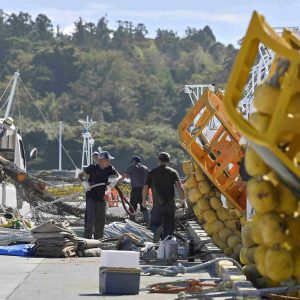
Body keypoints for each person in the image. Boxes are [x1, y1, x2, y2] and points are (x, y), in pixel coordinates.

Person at [142, 152, 186, 239]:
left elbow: (145, 187)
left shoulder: (152, 173)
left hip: (157, 205)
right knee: (169, 227)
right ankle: (166, 241)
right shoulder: (173, 172)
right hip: (170, 205)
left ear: (158, 161)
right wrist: (183, 200)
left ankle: (157, 231)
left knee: (153, 224)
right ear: (168, 161)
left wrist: (143, 200)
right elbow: (179, 186)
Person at [78, 151, 121, 239]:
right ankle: (87, 239)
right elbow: (80, 175)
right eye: (107, 160)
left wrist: (116, 180)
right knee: (90, 219)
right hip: (91, 195)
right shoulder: (92, 168)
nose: (109, 162)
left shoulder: (109, 168)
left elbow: (119, 175)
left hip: (101, 197)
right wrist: (84, 183)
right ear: (101, 160)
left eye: (109, 160)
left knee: (100, 220)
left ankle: (98, 240)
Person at [119, 156, 149, 224]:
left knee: (132, 206)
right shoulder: (146, 168)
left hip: (136, 189)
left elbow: (124, 176)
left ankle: (131, 222)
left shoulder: (132, 167)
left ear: (134, 161)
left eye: (132, 162)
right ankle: (148, 222)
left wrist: (118, 182)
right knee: (144, 206)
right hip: (144, 189)